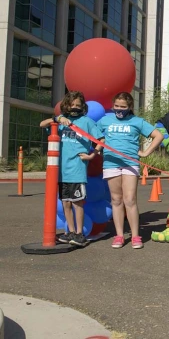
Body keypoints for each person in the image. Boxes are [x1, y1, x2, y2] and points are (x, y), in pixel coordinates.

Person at [97, 92, 164, 249]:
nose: (119, 109)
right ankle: (119, 235)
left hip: (130, 163)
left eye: (123, 107)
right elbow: (93, 133)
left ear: (130, 107)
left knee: (130, 200)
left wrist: (146, 152)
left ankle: (135, 236)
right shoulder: (105, 120)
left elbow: (158, 136)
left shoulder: (137, 121)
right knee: (116, 200)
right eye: (117, 106)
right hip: (111, 163)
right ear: (113, 106)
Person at [40, 91, 104, 247]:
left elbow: (101, 140)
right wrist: (57, 118)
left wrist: (91, 155)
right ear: (66, 106)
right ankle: (70, 232)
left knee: (77, 203)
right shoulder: (62, 121)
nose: (75, 107)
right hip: (62, 171)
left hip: (77, 170)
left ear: (82, 107)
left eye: (78, 105)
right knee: (66, 203)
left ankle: (80, 234)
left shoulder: (86, 122)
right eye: (72, 105)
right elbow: (42, 124)